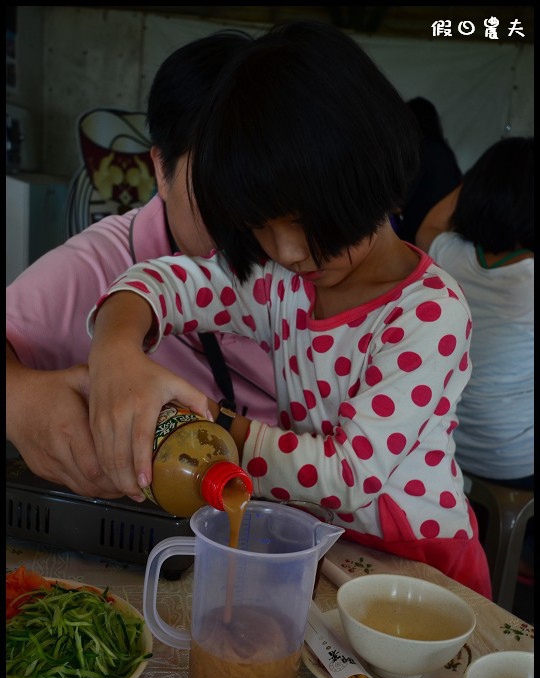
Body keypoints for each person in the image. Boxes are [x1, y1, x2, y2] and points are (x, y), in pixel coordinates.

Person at [86, 20, 492, 598]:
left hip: (421, 565)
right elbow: (170, 282)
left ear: (368, 173)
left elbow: (347, 478)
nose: (288, 252)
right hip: (327, 544)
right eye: (261, 227)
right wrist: (117, 347)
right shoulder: (283, 284)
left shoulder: (429, 314)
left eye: (304, 220)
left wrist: (218, 426)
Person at [6, 31, 277, 499]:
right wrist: (19, 400)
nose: (248, 218)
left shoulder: (320, 258)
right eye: (219, 186)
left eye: (268, 186)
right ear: (161, 169)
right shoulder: (99, 264)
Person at [416, 136, 534, 580]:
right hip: (515, 463)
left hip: (452, 445)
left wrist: (488, 178)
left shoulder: (447, 252)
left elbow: (431, 221)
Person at [392, 97, 462, 244]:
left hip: (419, 234)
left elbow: (397, 203)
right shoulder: (444, 152)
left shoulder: (423, 152)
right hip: (444, 236)